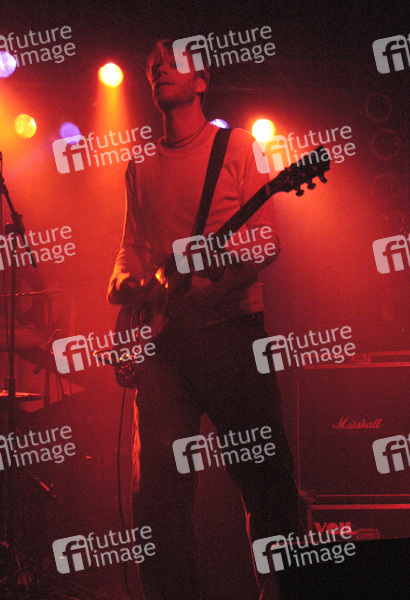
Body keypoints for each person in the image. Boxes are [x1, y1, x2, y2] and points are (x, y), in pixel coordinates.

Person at [108, 39, 301, 600]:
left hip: (232, 337)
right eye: (154, 66)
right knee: (157, 494)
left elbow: (267, 240)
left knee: (265, 480)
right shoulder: (139, 165)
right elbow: (130, 249)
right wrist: (123, 284)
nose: (160, 70)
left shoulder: (237, 146)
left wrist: (221, 265)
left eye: (173, 63)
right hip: (164, 348)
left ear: (202, 80)